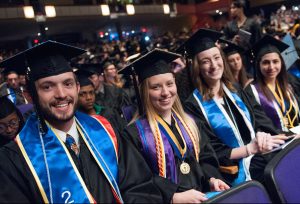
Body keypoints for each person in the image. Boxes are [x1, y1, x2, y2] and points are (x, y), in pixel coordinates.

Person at [0, 41, 163, 203]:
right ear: (30, 95)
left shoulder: (105, 132)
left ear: (77, 87)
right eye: (47, 87)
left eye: (67, 83)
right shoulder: (15, 159)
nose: (61, 94)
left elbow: (140, 186)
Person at [120, 48, 229, 203]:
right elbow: (136, 184)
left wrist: (211, 179)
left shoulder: (191, 122)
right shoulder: (133, 134)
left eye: (169, 84)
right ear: (145, 92)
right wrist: (172, 197)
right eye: (156, 87)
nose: (166, 92)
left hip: (203, 198)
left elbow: (206, 158)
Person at [182, 28, 288, 185]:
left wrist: (263, 136)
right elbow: (210, 150)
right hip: (233, 169)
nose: (214, 65)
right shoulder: (193, 105)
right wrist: (249, 149)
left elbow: (257, 121)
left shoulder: (235, 89)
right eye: (205, 61)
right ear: (197, 67)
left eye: (216, 58)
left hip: (260, 154)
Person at [245, 35, 300, 132]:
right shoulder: (252, 92)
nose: (271, 67)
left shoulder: (289, 83)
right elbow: (262, 123)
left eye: (275, 61)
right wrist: (290, 136)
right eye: (266, 62)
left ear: (281, 63)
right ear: (258, 64)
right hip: (279, 143)